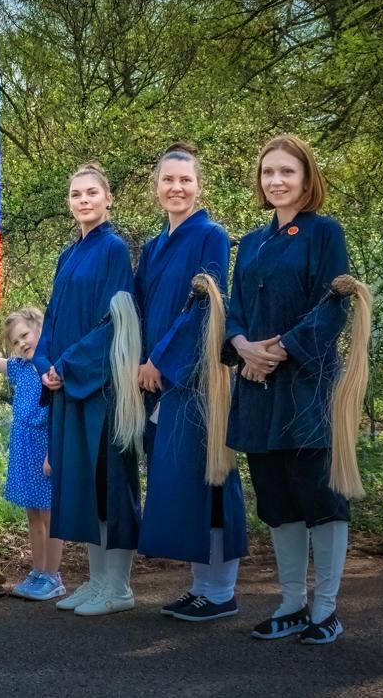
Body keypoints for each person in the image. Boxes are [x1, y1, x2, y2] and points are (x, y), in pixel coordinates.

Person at [225, 134, 370, 645]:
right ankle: (291, 604)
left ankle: (325, 609)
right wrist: (242, 346)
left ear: (307, 178)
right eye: (268, 172)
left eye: (287, 171)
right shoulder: (250, 242)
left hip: (308, 386)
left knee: (319, 496)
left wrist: (282, 347)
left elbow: (335, 304)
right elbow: (234, 310)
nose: (276, 180)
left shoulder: (325, 233)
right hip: (257, 386)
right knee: (277, 499)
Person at [134, 144, 247, 623]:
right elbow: (141, 309)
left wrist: (161, 360)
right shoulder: (153, 247)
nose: (176, 187)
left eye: (185, 180)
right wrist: (141, 361)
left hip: (198, 378)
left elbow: (208, 306)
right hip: (157, 379)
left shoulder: (211, 236)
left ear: (200, 186)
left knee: (212, 479)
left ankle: (221, 591)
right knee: (182, 482)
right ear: (156, 187)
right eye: (168, 179)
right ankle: (201, 587)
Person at [33, 163, 145, 617]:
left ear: (108, 198)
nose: (83, 200)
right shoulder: (68, 255)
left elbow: (115, 320)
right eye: (76, 194)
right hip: (67, 385)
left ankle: (118, 586)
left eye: (92, 193)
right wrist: (45, 363)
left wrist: (67, 364)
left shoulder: (114, 250)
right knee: (84, 486)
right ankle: (97, 581)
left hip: (100, 385)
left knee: (110, 483)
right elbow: (52, 317)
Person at [0, 307, 65, 601]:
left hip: (45, 447)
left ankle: (53, 576)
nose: (22, 344)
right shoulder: (18, 368)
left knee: (50, 515)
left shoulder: (51, 369)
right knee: (33, 514)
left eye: (25, 335)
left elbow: (58, 413)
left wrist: (52, 454)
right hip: (23, 447)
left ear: (39, 328)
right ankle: (38, 571)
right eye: (16, 341)